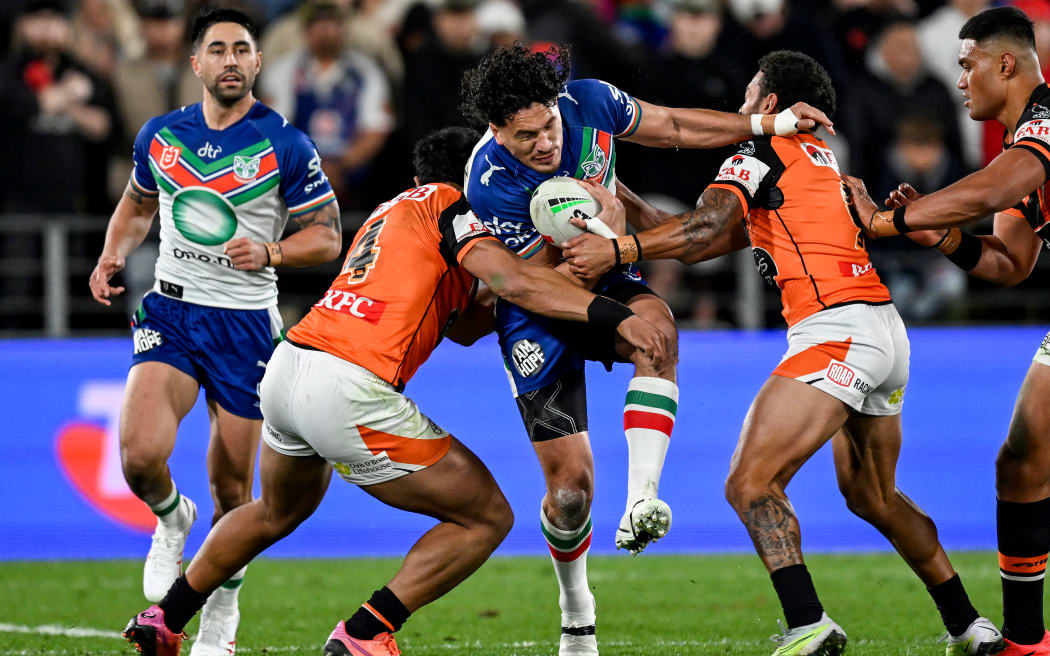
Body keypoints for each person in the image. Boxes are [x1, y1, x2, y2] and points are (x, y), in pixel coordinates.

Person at [120, 125, 672, 656]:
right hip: (348, 386)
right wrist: (594, 299)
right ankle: (367, 631)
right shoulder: (458, 210)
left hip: (290, 367)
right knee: (486, 518)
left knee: (273, 511)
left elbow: (464, 323)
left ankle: (165, 617)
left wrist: (539, 276)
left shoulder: (392, 213)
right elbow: (513, 282)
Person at [562, 50, 1004, 656]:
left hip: (836, 330)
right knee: (874, 496)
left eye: (748, 95)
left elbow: (694, 232)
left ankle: (809, 623)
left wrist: (618, 253)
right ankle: (969, 624)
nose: (740, 109)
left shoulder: (755, 152)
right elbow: (698, 241)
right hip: (883, 333)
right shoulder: (814, 164)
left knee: (751, 482)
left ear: (770, 105)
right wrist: (616, 194)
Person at [459, 42, 833, 655]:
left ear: (559, 104)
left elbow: (674, 126)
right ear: (497, 129)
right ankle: (576, 605)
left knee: (658, 331)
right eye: (525, 136)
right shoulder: (490, 181)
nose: (544, 144)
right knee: (571, 492)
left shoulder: (592, 101)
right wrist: (589, 224)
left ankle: (642, 500)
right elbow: (535, 282)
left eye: (549, 125)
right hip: (537, 307)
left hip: (603, 267)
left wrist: (772, 123)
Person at [89, 8, 343, 656]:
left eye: (242, 50)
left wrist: (275, 253)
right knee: (140, 456)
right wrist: (112, 252)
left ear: (257, 63)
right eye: (218, 50)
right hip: (172, 310)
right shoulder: (161, 135)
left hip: (247, 328)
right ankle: (173, 518)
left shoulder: (285, 143)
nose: (230, 60)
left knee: (235, 491)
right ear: (196, 63)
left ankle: (221, 612)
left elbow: (328, 236)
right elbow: (137, 204)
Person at [843, 7, 1050, 655]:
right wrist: (940, 234)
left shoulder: (1040, 133)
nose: (959, 80)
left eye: (967, 65)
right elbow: (1010, 263)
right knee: (1021, 462)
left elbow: (996, 186)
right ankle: (1025, 641)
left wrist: (887, 223)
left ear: (1004, 64)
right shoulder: (1022, 146)